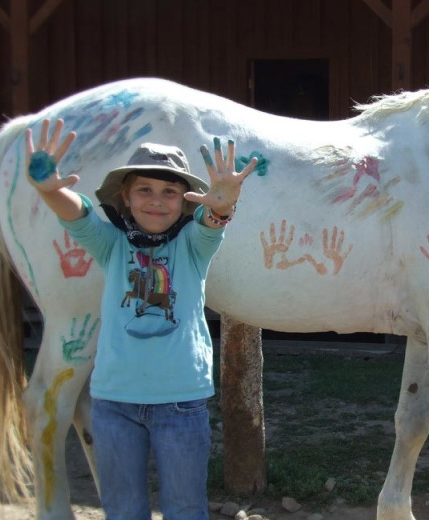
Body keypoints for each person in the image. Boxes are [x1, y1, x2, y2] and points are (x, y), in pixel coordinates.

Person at [25, 118, 257, 520]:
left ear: (184, 201)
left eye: (169, 192)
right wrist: (52, 190)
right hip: (114, 404)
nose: (156, 200)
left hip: (180, 404)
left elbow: (212, 224)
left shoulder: (191, 247)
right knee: (122, 510)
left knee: (185, 509)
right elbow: (78, 215)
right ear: (126, 198)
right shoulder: (111, 244)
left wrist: (223, 206)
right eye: (144, 190)